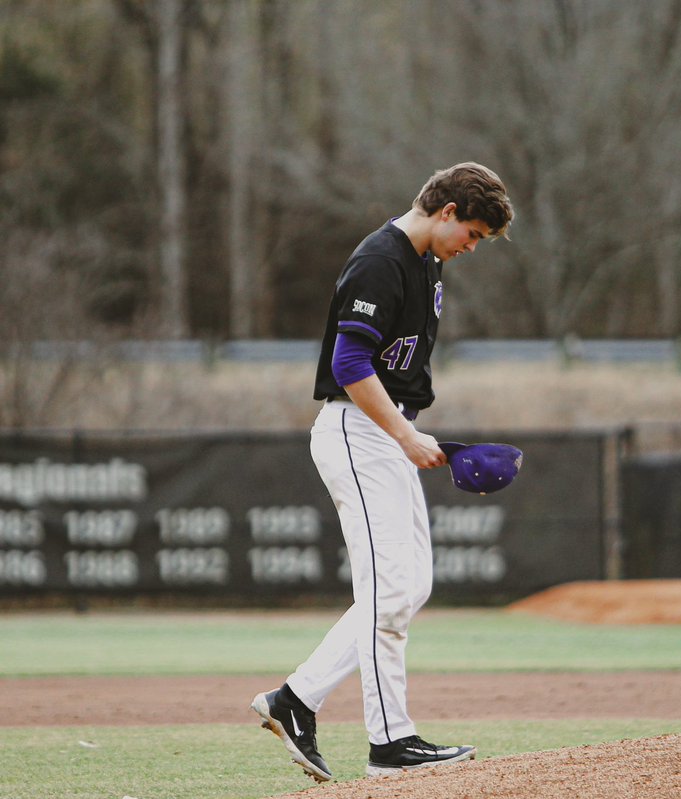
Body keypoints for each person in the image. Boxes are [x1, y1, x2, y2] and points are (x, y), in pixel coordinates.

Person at [251, 162, 514, 782]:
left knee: (408, 585)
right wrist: (403, 435)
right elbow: (349, 363)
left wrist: (414, 434)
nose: (472, 246)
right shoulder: (383, 260)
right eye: (472, 232)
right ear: (446, 211)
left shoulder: (427, 260)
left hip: (382, 431)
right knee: (391, 589)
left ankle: (296, 699)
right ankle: (389, 743)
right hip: (358, 432)